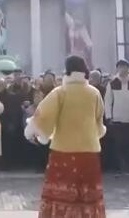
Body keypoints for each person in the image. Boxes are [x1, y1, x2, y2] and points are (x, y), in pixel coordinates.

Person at [27, 55, 107, 218]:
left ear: (67, 70)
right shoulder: (94, 93)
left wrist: (35, 132)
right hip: (89, 152)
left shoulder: (60, 92)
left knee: (61, 194)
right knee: (88, 194)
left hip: (63, 152)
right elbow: (99, 122)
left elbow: (43, 116)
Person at [104, 67, 129, 175]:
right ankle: (120, 166)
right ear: (117, 69)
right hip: (116, 120)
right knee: (118, 144)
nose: (123, 70)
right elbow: (108, 101)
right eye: (120, 67)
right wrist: (109, 117)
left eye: (125, 67)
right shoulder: (112, 83)